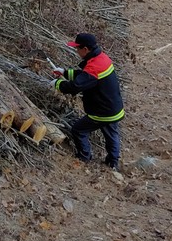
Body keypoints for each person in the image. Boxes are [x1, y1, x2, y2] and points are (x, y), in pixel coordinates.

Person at [52, 33, 125, 170]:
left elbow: (76, 86)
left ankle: (84, 157)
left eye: (77, 48)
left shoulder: (94, 67)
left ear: (85, 49)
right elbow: (84, 76)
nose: (76, 51)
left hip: (102, 111)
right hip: (114, 108)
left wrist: (57, 84)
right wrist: (65, 72)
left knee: (78, 130)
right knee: (111, 134)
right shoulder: (102, 58)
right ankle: (112, 163)